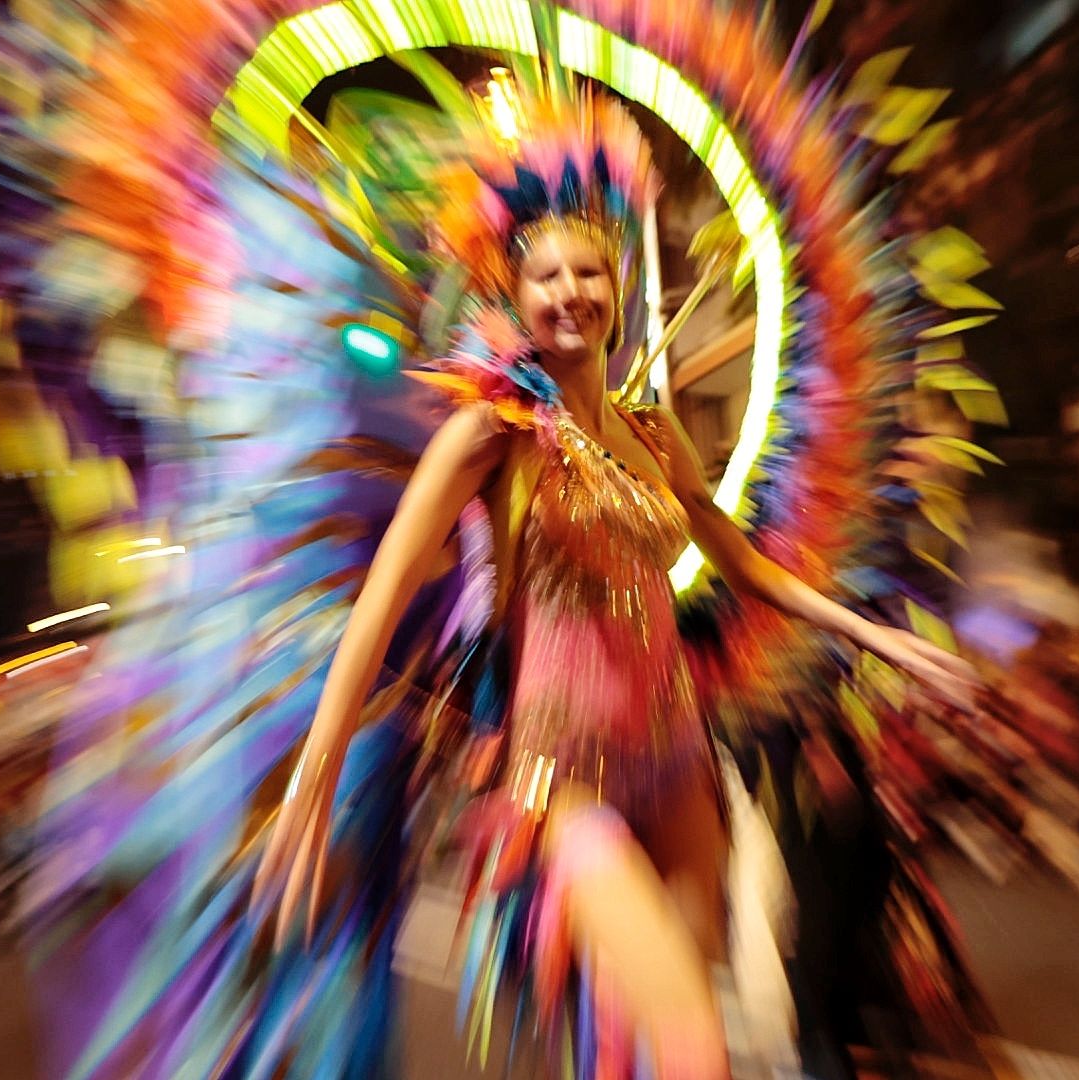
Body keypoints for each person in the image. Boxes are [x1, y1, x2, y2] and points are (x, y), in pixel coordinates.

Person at [249, 92, 976, 1079]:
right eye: (544, 276)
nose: (568, 292)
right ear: (517, 296)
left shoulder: (653, 434)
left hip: (680, 767)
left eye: (587, 271)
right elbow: (380, 598)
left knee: (648, 1048)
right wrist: (318, 770)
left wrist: (877, 635)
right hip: (565, 780)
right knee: (695, 1048)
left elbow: (748, 565)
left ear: (618, 285)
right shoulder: (490, 432)